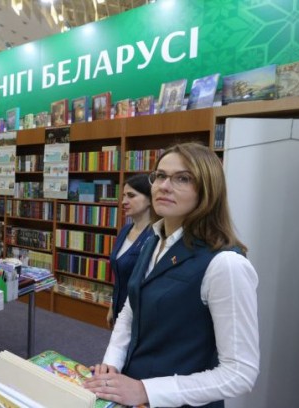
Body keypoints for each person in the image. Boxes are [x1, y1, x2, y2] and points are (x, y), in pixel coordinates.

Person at [85, 143, 259, 407]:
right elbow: (131, 309)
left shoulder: (226, 264)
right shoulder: (153, 240)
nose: (164, 186)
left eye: (183, 178)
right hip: (132, 390)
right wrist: (112, 363)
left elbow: (240, 373)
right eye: (160, 176)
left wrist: (146, 390)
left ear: (208, 189)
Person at [107, 174, 154, 326]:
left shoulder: (155, 236)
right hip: (119, 307)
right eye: (123, 196)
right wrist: (112, 305)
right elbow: (119, 277)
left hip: (140, 315)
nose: (124, 201)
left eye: (131, 196)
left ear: (150, 199)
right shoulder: (125, 230)